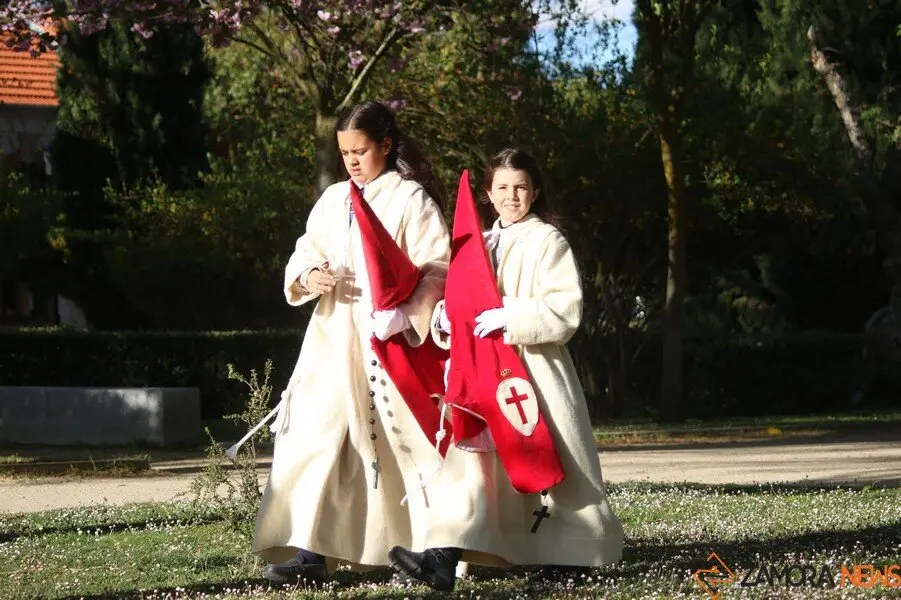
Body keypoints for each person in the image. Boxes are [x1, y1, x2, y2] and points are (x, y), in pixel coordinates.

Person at [389, 149, 624, 591]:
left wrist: (511, 316)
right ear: (487, 194)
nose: (511, 196)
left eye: (520, 187)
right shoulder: (475, 244)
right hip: (483, 374)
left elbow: (565, 310)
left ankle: (571, 554)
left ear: (534, 192)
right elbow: (462, 304)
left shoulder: (547, 241)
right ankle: (442, 555)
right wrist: (443, 318)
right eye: (502, 187)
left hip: (533, 370)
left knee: (555, 462)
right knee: (471, 466)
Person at [252, 101, 451, 583]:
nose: (353, 161)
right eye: (344, 153)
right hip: (331, 336)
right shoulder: (334, 199)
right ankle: (309, 551)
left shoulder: (410, 199)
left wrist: (406, 313)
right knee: (312, 438)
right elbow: (305, 249)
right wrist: (309, 274)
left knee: (397, 445)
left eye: (361, 150)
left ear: (385, 144)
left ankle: (429, 548)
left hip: (388, 343)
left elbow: (438, 265)